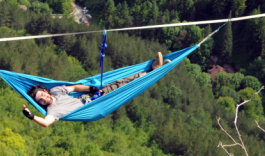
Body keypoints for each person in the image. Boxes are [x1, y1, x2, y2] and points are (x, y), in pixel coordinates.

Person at [22, 52, 170, 127]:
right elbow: (46, 123)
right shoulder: (52, 111)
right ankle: (155, 71)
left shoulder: (55, 91)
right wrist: (31, 116)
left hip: (89, 96)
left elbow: (74, 87)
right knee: (123, 87)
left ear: (45, 91)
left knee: (120, 81)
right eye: (39, 100)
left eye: (41, 94)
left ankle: (153, 70)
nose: (42, 98)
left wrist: (90, 88)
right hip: (94, 106)